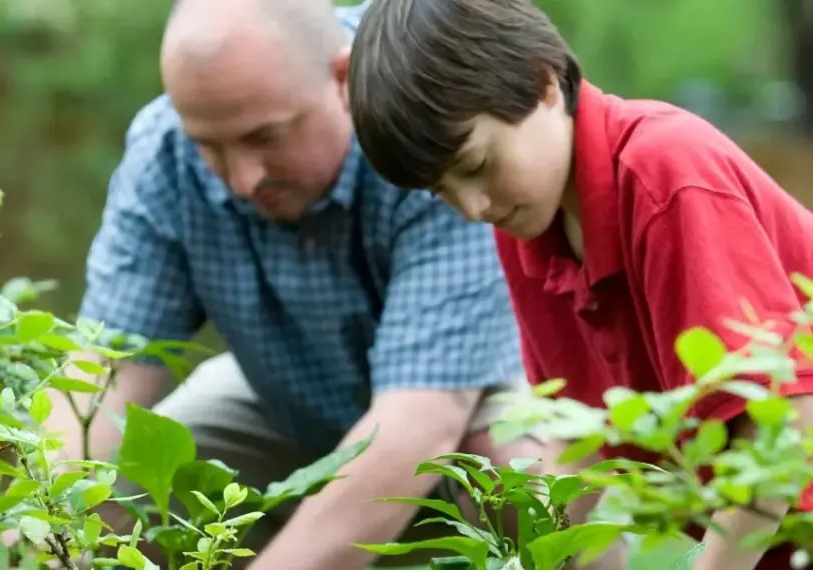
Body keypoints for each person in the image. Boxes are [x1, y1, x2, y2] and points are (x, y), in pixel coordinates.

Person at [41, 0, 546, 568]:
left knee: (524, 483)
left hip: (472, 393)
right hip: (287, 397)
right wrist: (27, 527)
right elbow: (104, 373)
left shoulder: (422, 117)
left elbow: (418, 425)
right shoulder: (165, 152)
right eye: (210, 146)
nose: (242, 178)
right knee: (122, 489)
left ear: (342, 78)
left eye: (264, 138)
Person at [344, 0, 813, 568]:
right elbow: (573, 448)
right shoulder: (526, 225)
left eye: (475, 165)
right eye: (441, 191)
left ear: (542, 84)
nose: (472, 207)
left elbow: (785, 429)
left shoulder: (664, 173)